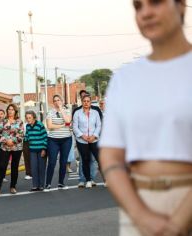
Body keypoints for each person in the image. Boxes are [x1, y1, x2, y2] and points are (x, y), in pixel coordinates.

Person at [99, 0, 192, 235]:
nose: (146, 12)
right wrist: (141, 215)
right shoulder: (124, 79)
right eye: (138, 6)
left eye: (156, 2)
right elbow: (111, 156)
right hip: (139, 207)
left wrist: (180, 219)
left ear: (181, 6)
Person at [0, 104, 24, 196]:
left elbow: (21, 135)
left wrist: (13, 141)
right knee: (2, 166)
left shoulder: (20, 122)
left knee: (14, 167)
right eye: (9, 109)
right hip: (5, 147)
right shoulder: (3, 121)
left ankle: (13, 187)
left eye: (12, 109)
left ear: (15, 111)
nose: (10, 111)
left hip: (17, 147)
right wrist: (6, 141)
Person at [73, 95, 102, 188]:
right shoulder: (77, 113)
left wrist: (94, 136)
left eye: (88, 101)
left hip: (94, 139)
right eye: (84, 101)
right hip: (82, 140)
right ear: (82, 102)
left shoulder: (95, 113)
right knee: (85, 159)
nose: (86, 103)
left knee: (99, 159)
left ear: (90, 102)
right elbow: (75, 127)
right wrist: (83, 136)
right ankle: (88, 180)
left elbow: (99, 125)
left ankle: (106, 179)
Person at [45, 94, 72, 191]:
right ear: (53, 102)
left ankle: (61, 183)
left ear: (62, 101)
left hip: (66, 139)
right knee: (52, 162)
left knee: (63, 162)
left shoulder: (67, 110)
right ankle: (47, 184)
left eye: (58, 100)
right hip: (53, 140)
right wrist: (63, 125)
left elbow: (68, 120)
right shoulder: (50, 112)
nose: (57, 102)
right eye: (55, 100)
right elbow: (49, 126)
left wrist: (61, 109)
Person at [25, 110, 47, 191]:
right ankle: (35, 185)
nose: (28, 119)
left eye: (30, 118)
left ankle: (41, 185)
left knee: (41, 168)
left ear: (34, 117)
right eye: (27, 118)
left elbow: (45, 137)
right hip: (32, 150)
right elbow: (27, 136)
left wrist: (44, 149)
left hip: (41, 149)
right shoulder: (27, 126)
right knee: (34, 168)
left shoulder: (40, 125)